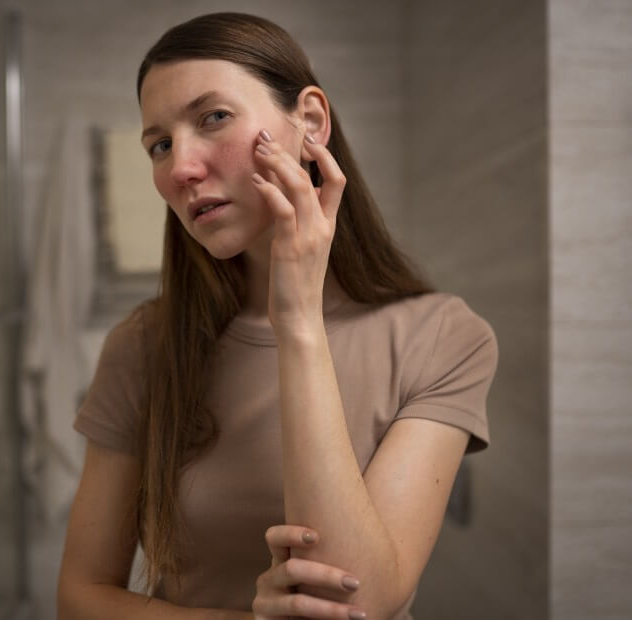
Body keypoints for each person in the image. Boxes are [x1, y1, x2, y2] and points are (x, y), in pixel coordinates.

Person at [58, 12, 498, 620]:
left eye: (213, 118)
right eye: (159, 144)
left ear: (310, 123)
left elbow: (360, 602)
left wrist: (297, 321)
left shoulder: (442, 337)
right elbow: (79, 598)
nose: (180, 167)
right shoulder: (145, 345)